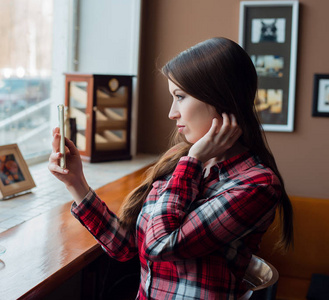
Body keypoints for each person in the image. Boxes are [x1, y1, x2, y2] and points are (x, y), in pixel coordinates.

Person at [48, 37, 293, 299]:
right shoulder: (181, 159)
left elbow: (159, 245)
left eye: (180, 97)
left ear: (220, 99)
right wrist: (76, 183)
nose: (172, 113)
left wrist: (193, 164)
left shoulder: (256, 185)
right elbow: (127, 248)